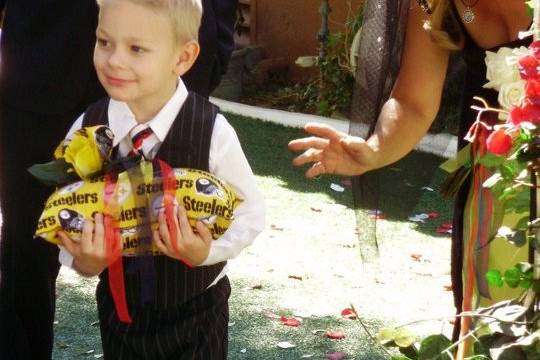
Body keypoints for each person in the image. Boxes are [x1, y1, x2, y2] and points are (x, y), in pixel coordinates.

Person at [289, 0, 531, 357]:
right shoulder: (430, 2)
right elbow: (413, 102)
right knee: (496, 328)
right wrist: (374, 150)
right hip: (494, 184)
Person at [0, 0, 237, 358]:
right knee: (25, 255)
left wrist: (216, 36)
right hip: (38, 66)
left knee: (167, 261)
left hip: (163, 73)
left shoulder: (204, 122)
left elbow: (245, 215)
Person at [56, 0, 265, 358]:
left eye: (136, 48)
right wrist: (85, 261)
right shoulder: (86, 132)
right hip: (121, 315)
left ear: (182, 58)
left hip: (198, 314)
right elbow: (68, 217)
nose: (115, 60)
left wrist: (206, 252)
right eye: (105, 41)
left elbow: (251, 215)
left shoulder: (212, 131)